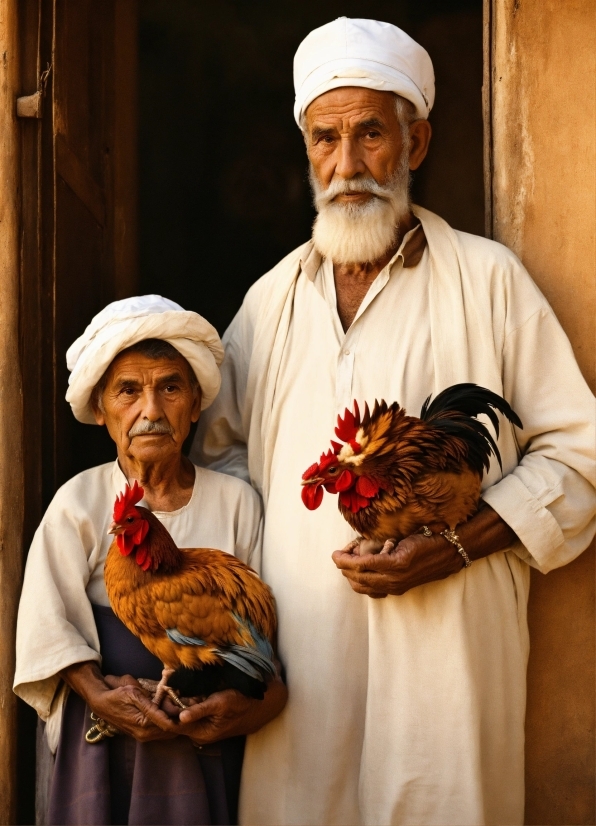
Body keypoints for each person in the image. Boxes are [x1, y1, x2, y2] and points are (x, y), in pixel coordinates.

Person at [192, 17, 596, 826]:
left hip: (447, 663)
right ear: (306, 151)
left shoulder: (489, 281)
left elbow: (580, 457)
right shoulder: (268, 303)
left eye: (371, 134)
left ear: (415, 143)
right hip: (300, 678)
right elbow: (219, 470)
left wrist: (451, 544)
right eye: (325, 139)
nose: (347, 166)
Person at [14, 295, 287, 826]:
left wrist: (248, 704)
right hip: (106, 735)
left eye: (170, 387)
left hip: (205, 731)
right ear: (101, 410)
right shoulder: (79, 500)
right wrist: (97, 693)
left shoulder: (237, 501)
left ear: (196, 404)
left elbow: (270, 632)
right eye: (128, 391)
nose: (152, 411)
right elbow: (46, 624)